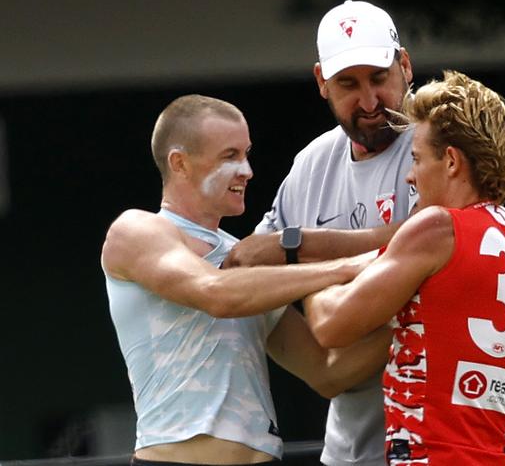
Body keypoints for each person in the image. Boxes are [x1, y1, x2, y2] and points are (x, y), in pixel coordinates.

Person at [101, 94, 391, 466]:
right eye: (230, 156)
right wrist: (350, 266)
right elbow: (216, 294)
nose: (247, 170)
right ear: (180, 163)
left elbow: (326, 373)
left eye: (246, 154)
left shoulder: (244, 261)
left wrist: (416, 309)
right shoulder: (136, 229)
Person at [306, 71, 505, 465]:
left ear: (451, 161)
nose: (410, 174)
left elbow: (332, 326)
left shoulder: (436, 228)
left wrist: (310, 267)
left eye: (416, 158)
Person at [223, 0, 416, 466]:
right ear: (321, 82)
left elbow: (434, 242)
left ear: (405, 65)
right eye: (348, 84)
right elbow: (248, 267)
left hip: (439, 442)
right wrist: (320, 365)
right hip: (347, 450)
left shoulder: (438, 141)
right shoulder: (311, 164)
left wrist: (300, 249)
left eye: (379, 78)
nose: (369, 102)